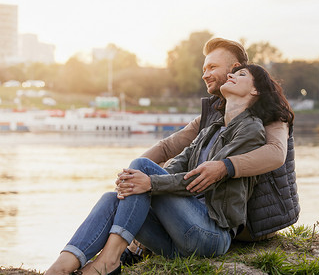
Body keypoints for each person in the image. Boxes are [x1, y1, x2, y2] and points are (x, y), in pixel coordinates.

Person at [45, 63, 294, 275]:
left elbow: (204, 179)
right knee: (112, 198)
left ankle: (108, 261)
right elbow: (176, 165)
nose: (231, 75)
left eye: (241, 75)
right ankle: (62, 264)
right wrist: (136, 180)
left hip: (210, 234)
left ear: (255, 90)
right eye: (232, 72)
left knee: (143, 168)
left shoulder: (251, 130)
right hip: (178, 237)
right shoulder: (211, 129)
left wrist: (150, 183)